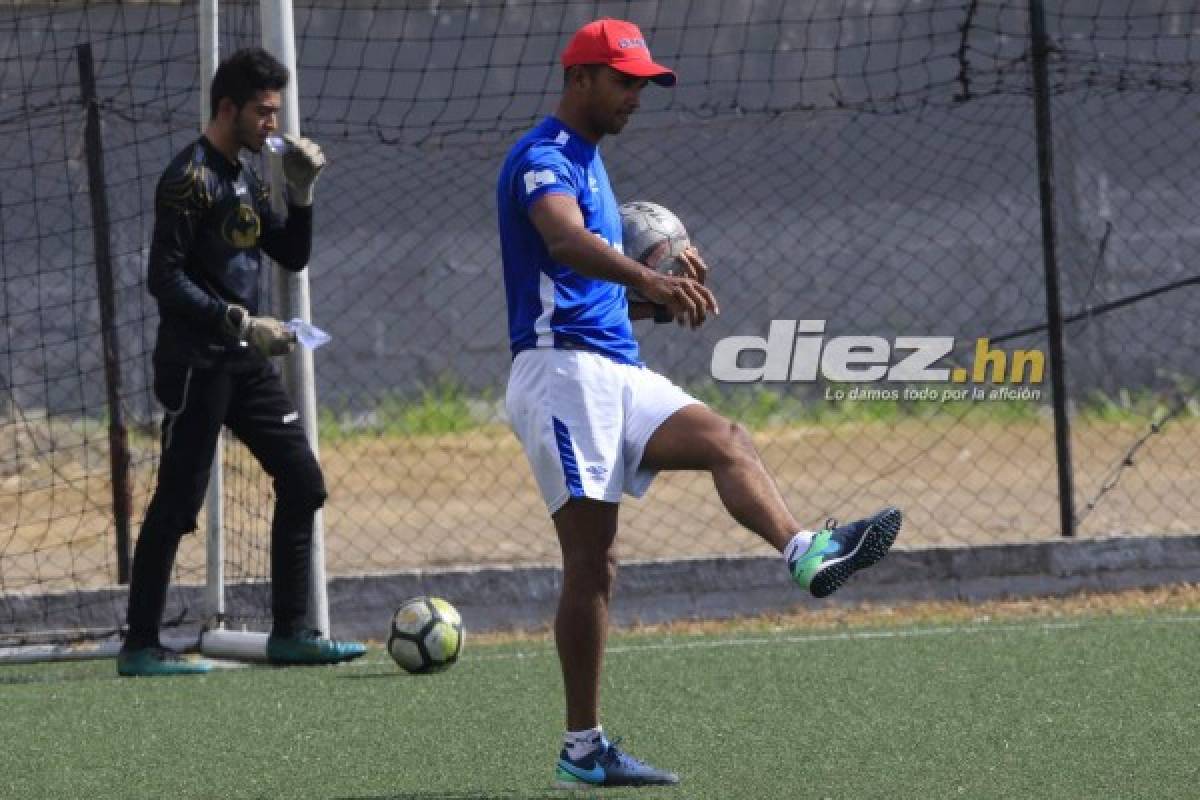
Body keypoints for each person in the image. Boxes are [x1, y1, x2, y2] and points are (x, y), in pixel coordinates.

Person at [496, 19, 904, 788]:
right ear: (580, 77)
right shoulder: (543, 157)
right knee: (593, 565)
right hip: (562, 377)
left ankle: (804, 551)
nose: (637, 96)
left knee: (727, 439)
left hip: (614, 366)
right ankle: (582, 748)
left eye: (644, 82)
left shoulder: (589, 162)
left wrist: (662, 296)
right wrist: (648, 278)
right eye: (625, 81)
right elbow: (561, 242)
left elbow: (588, 287)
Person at [118, 47, 365, 677]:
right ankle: (139, 647)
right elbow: (163, 279)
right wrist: (236, 319)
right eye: (263, 112)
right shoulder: (187, 177)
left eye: (276, 113)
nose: (272, 126)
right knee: (176, 503)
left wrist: (302, 195)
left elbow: (292, 254)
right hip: (197, 363)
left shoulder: (248, 177)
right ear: (228, 108)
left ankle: (291, 632)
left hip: (244, 363)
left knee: (304, 482)